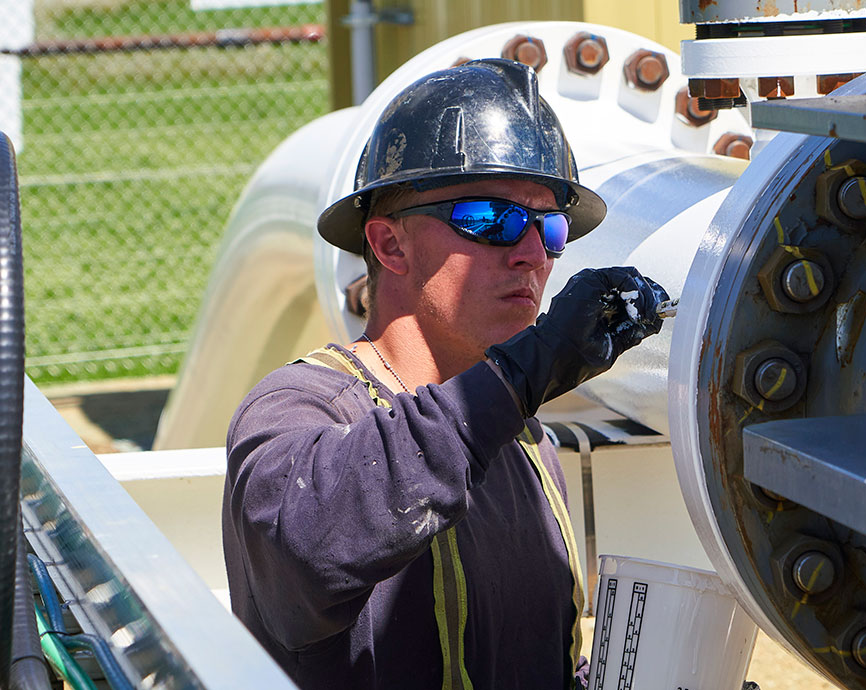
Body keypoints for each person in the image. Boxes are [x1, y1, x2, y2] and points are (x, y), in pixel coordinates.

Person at [221, 58, 669, 690]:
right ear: (389, 245)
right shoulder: (300, 409)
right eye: (493, 219)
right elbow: (307, 546)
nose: (532, 253)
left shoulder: (525, 440)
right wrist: (520, 376)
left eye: (550, 225)